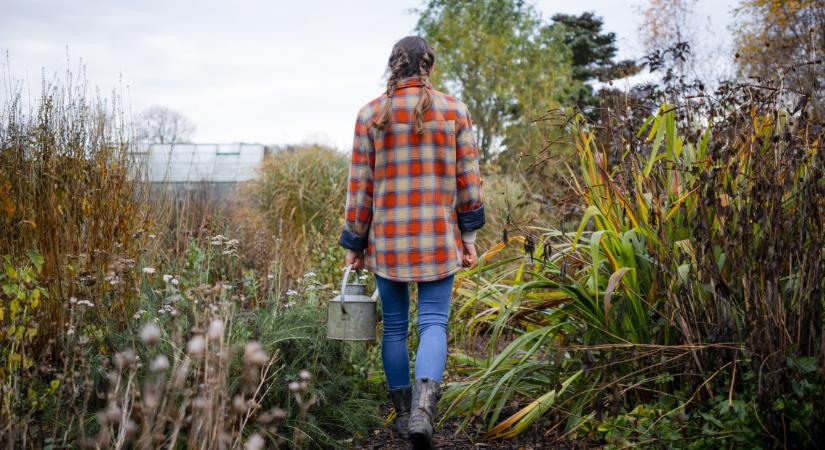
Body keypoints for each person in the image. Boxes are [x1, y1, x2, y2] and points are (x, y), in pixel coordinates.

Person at [338, 35, 484, 449]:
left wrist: (355, 241)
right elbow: (468, 181)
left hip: (388, 242)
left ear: (393, 66)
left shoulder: (370, 114)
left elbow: (360, 186)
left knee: (396, 328)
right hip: (439, 238)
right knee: (434, 323)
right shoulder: (455, 111)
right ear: (428, 67)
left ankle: (403, 417)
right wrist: (469, 236)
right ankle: (424, 412)